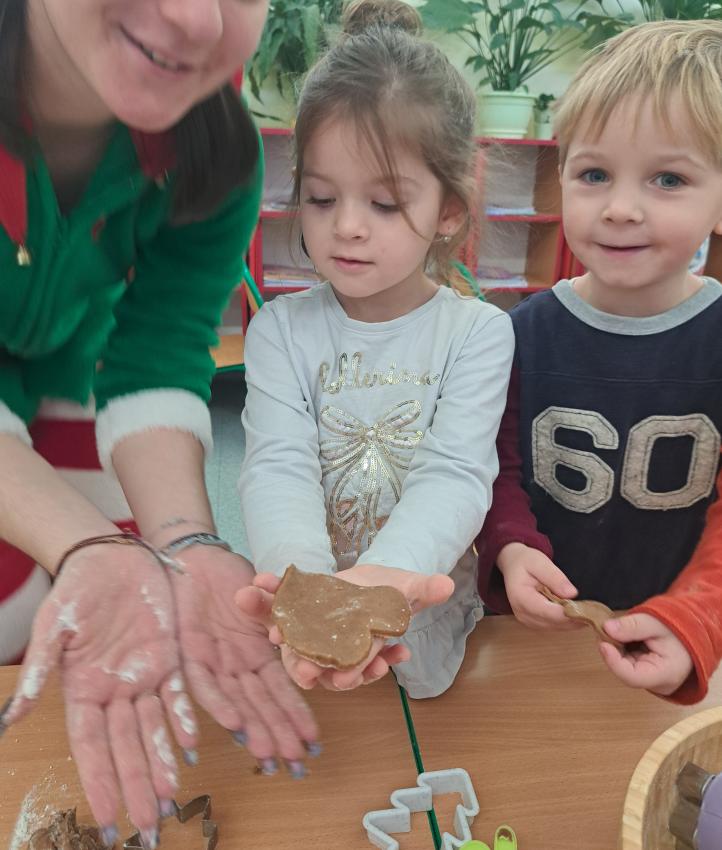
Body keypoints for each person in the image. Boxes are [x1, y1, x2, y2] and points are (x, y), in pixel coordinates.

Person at [0, 1, 319, 847]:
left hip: (73, 365)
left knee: (109, 605)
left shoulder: (214, 148)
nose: (193, 17)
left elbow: (157, 349)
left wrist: (184, 543)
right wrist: (79, 543)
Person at [235, 0, 515, 699]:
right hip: (307, 622)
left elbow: (456, 474)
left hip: (423, 620)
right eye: (322, 199)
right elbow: (277, 469)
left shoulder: (477, 333)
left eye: (384, 204)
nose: (348, 228)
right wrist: (315, 596)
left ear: (449, 210)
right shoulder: (279, 331)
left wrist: (381, 586)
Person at [476, 21, 722, 705]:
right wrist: (510, 548)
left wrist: (696, 616)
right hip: (531, 631)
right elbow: (492, 468)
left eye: (668, 178)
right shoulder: (516, 335)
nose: (619, 209)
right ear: (561, 180)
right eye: (594, 174)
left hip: (674, 636)